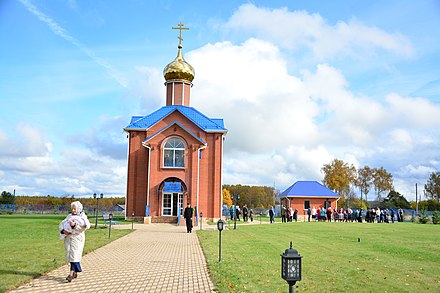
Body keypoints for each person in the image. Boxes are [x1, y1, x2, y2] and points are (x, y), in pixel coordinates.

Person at [59, 201, 90, 282]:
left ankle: (71, 273)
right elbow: (61, 224)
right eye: (72, 208)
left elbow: (84, 227)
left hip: (77, 238)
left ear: (79, 209)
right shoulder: (69, 216)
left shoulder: (82, 217)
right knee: (70, 255)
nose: (73, 210)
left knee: (74, 255)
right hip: (68, 238)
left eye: (75, 209)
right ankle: (76, 271)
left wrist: (74, 226)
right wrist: (63, 231)